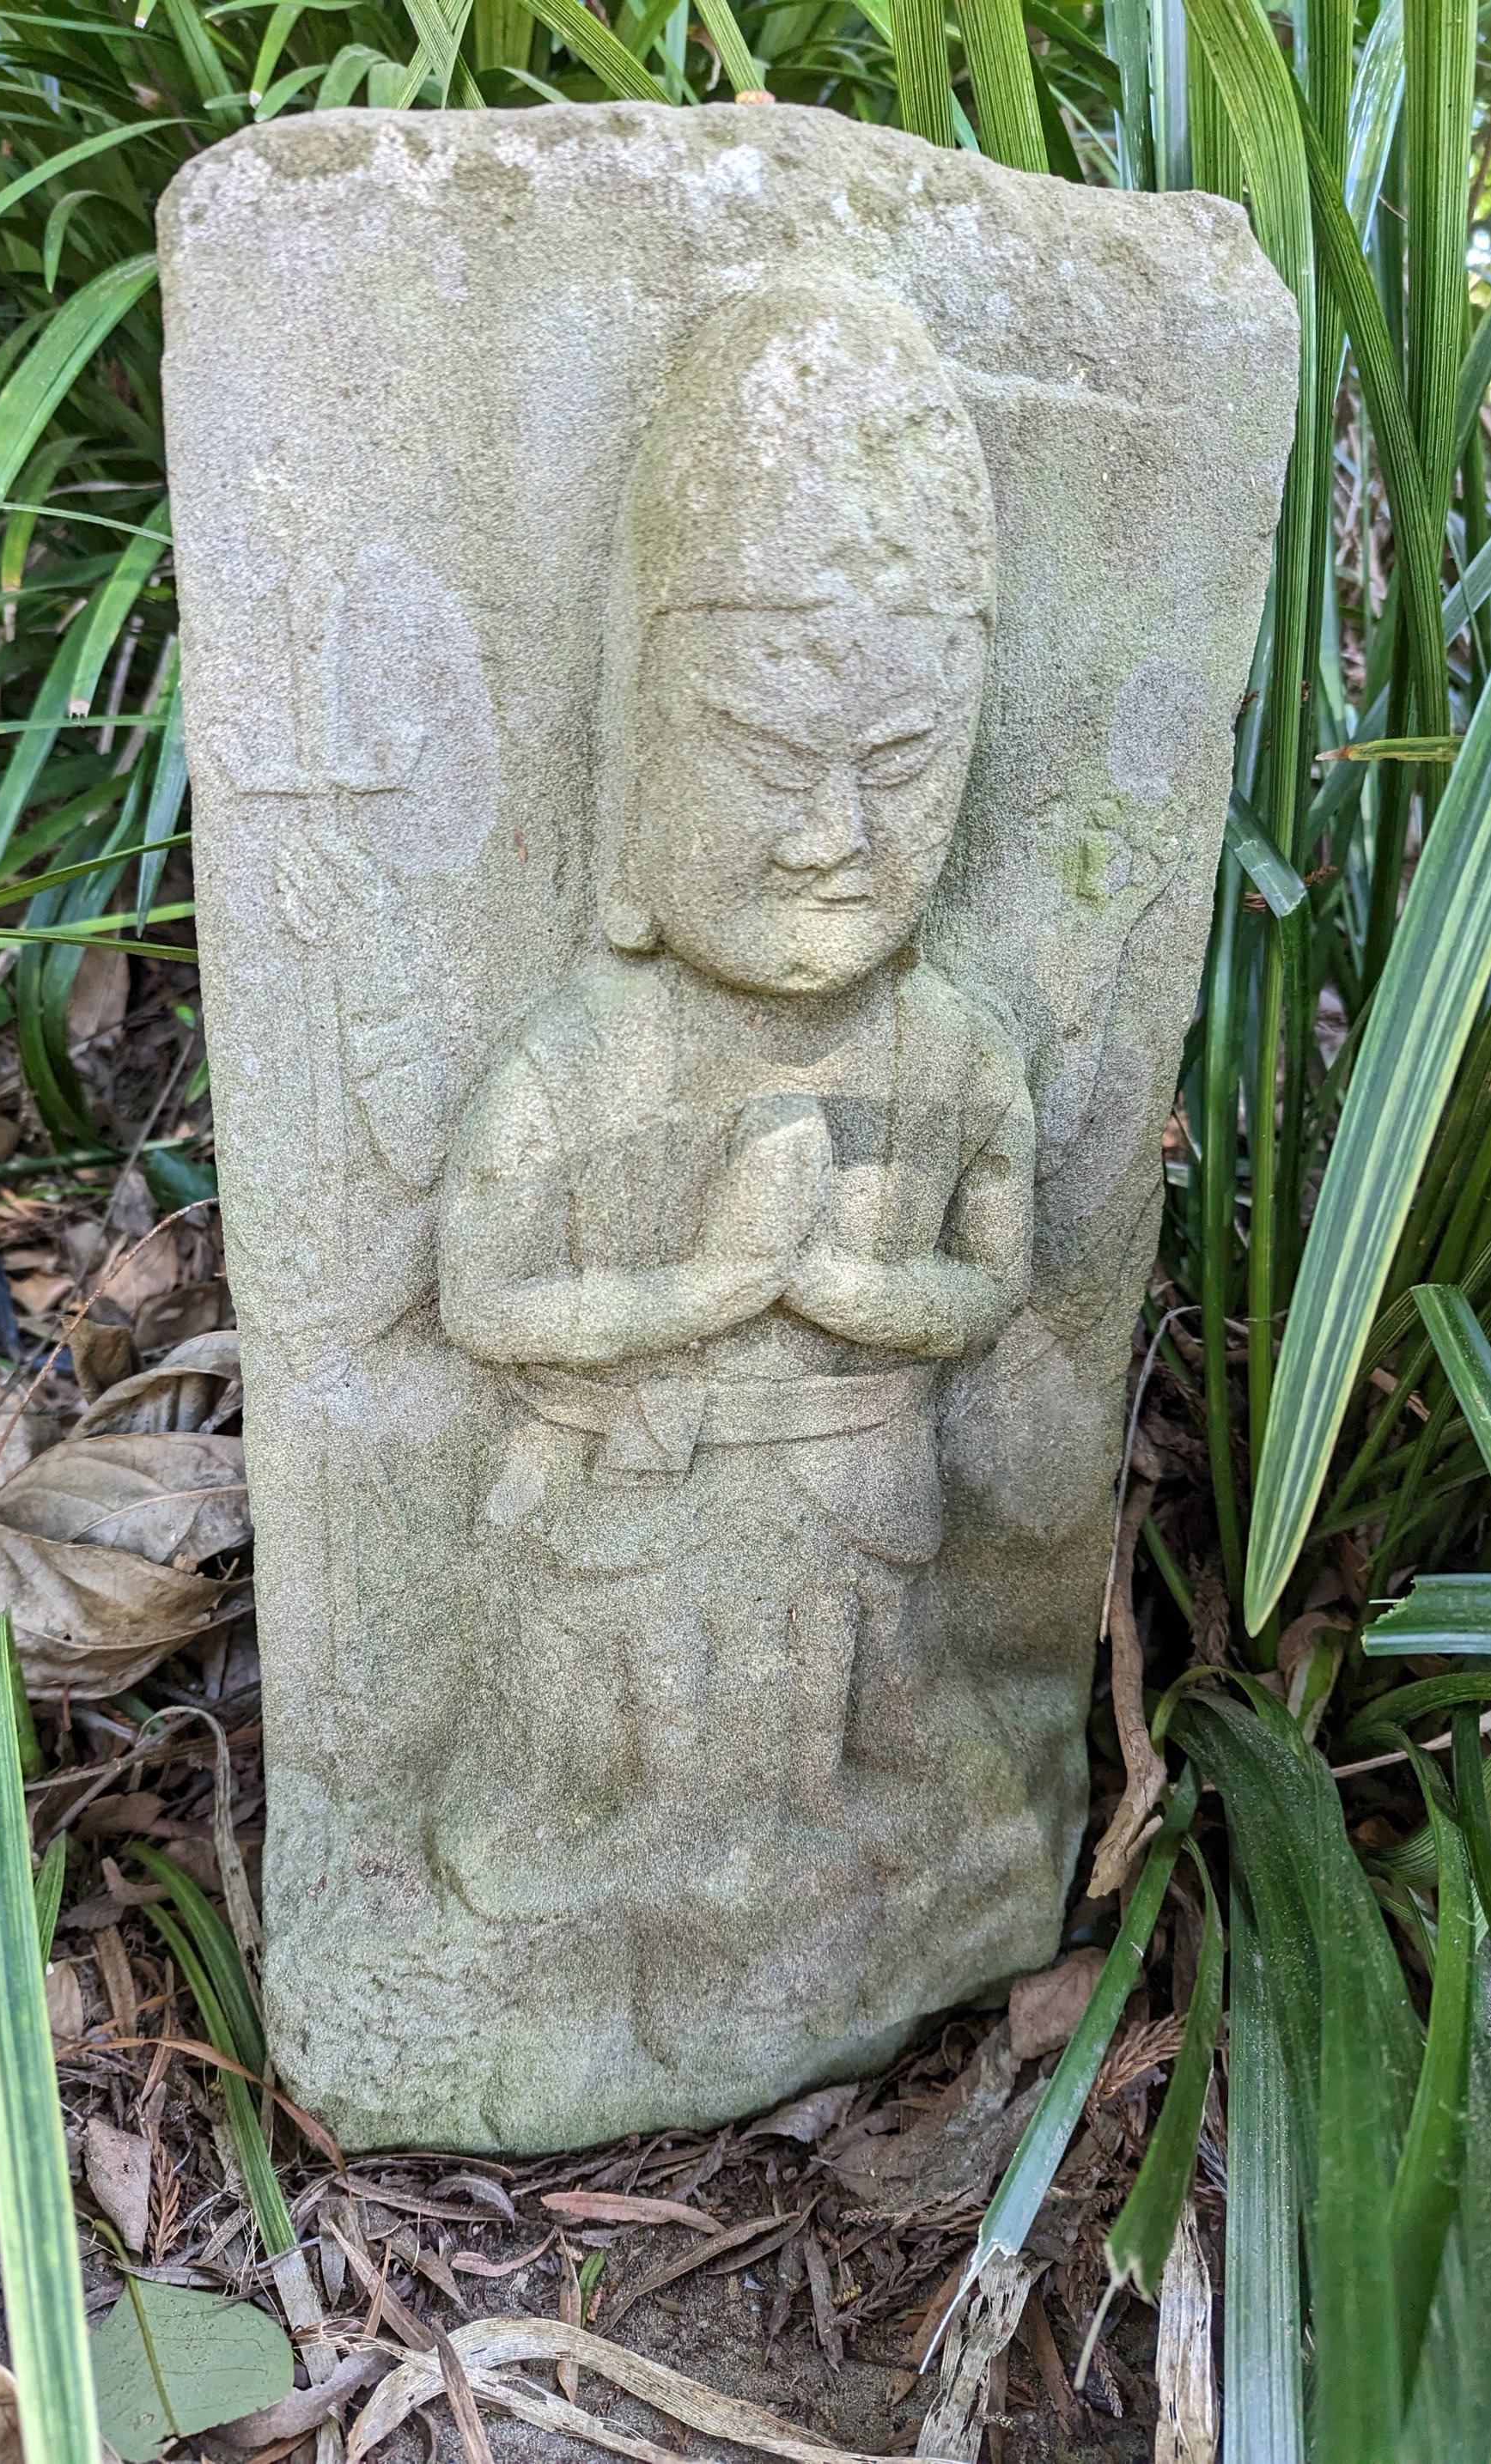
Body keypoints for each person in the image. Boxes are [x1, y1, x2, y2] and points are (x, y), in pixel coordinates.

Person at [435, 276, 1035, 1914]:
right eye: (767, 762)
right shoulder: (576, 1052)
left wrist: (838, 1284)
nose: (834, 836)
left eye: (899, 768)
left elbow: (993, 1281)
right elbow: (479, 1296)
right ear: (635, 762)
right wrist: (702, 1288)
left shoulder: (955, 1050)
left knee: (911, 1741)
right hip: (627, 1490)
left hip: (859, 1487)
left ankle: (819, 1837)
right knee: (580, 1740)